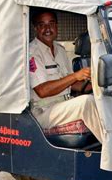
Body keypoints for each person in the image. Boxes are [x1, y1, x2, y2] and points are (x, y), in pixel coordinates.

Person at [29, 9, 103, 143]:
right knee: (86, 102)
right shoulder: (32, 52)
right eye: (42, 25)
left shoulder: (60, 50)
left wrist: (95, 84)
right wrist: (76, 76)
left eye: (51, 24)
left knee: (102, 99)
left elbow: (71, 84)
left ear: (56, 26)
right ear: (36, 28)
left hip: (63, 105)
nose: (47, 29)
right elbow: (42, 90)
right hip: (42, 112)